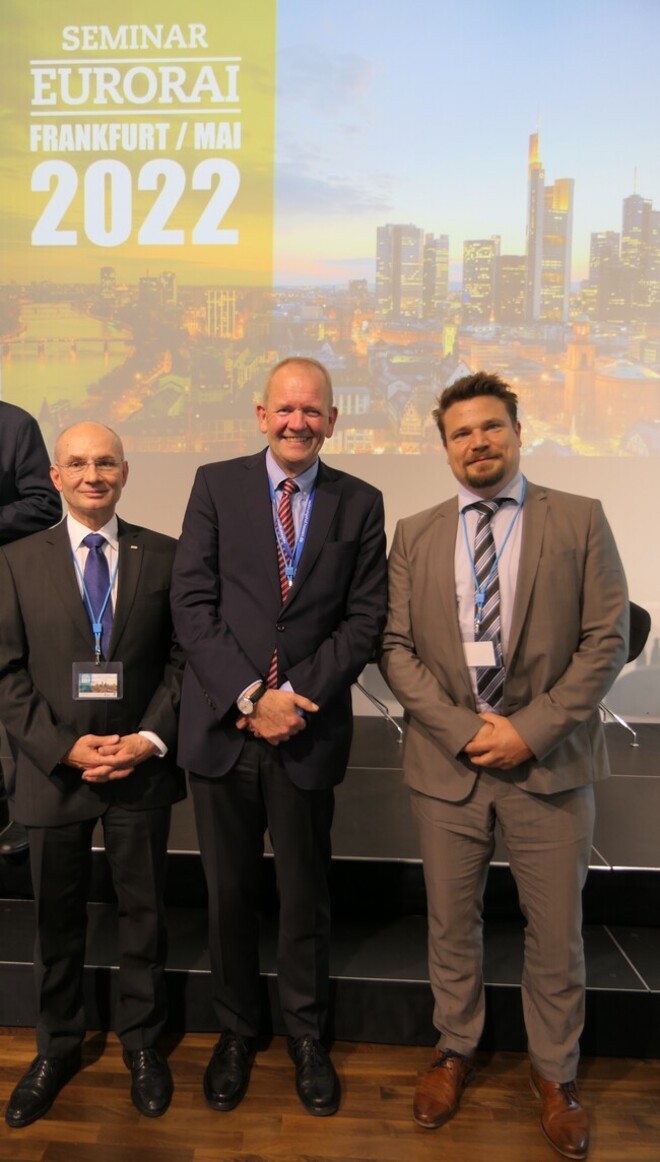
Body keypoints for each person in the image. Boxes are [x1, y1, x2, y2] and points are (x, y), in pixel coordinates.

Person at [379, 372, 628, 1160]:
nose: (477, 442)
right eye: (461, 432)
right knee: (453, 924)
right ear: (445, 445)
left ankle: (555, 1074)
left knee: (556, 933)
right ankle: (455, 1048)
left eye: (491, 427)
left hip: (547, 765)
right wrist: (462, 730)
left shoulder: (580, 519)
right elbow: (396, 650)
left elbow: (607, 638)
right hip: (448, 766)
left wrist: (530, 730)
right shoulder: (415, 533)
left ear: (518, 432)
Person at [170, 356, 387, 1117]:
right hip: (225, 729)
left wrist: (295, 697)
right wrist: (251, 694)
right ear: (262, 415)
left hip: (306, 730)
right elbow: (192, 602)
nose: (299, 422)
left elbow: (364, 618)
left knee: (305, 898)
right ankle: (236, 1032)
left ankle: (305, 1034)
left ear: (333, 420)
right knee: (227, 897)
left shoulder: (360, 502)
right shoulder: (215, 483)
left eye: (314, 411)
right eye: (286, 409)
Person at [0, 421, 185, 1129]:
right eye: (77, 463)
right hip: (55, 771)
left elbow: (181, 663)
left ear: (126, 472)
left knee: (143, 914)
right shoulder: (16, 561)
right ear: (55, 477)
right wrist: (65, 748)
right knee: (56, 918)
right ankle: (57, 1046)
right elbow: (6, 675)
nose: (92, 475)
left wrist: (145, 738)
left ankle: (142, 1043)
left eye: (105, 462)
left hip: (138, 767)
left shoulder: (163, 555)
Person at [0, 400, 62, 856]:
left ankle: (24, 814)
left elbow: (44, 504)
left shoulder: (14, 423)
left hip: (4, 585)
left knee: (13, 695)